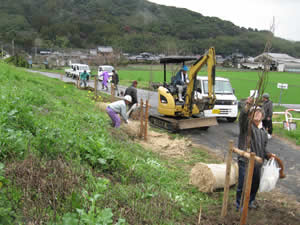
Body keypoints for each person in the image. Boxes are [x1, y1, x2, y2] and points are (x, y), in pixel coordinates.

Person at [236, 97, 274, 210]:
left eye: (259, 113)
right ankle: (240, 205)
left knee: (254, 184)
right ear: (250, 116)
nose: (257, 114)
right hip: (245, 161)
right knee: (243, 184)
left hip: (258, 163)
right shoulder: (246, 127)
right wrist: (248, 106)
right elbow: (242, 117)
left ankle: (250, 201)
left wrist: (269, 155)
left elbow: (263, 148)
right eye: (254, 112)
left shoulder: (263, 132)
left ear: (262, 117)